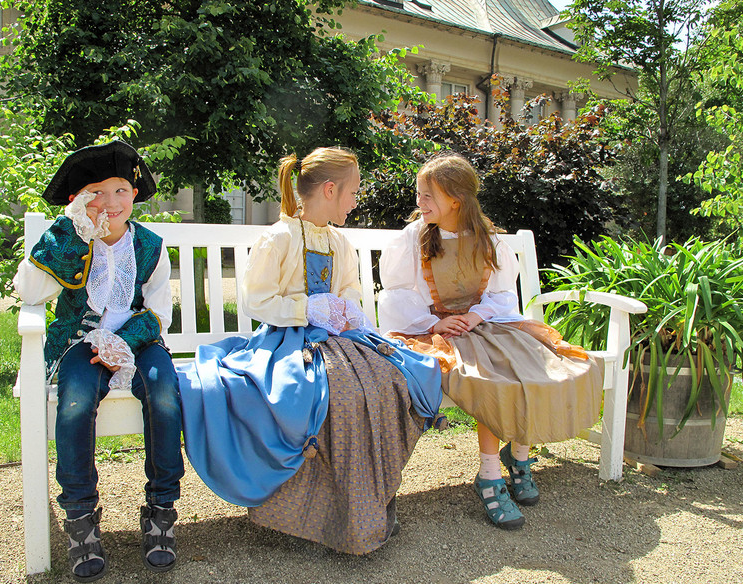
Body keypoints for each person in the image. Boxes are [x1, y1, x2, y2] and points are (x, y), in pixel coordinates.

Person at [177, 147, 443, 554]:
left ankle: (367, 503)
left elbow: (351, 287)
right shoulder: (278, 237)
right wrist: (306, 307)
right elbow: (257, 301)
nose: (356, 201)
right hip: (286, 341)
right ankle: (318, 513)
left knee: (389, 382)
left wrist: (345, 307)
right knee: (337, 395)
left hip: (336, 338)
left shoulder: (340, 241)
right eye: (353, 192)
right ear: (331, 189)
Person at [378, 153, 602, 530]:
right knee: (491, 379)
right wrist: (436, 321)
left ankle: (519, 458)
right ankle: (489, 474)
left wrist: (476, 316)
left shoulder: (489, 240)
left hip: (487, 324)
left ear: (456, 200)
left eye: (427, 196)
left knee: (536, 367)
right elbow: (396, 293)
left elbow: (501, 295)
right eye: (420, 194)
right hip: (435, 332)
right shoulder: (413, 238)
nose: (420, 203)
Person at [14, 141, 184, 581]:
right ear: (78, 199)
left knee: (165, 395)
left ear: (135, 194)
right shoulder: (67, 235)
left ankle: (162, 508)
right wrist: (71, 233)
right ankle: (81, 518)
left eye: (121, 190)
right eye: (97, 192)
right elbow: (30, 294)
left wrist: (121, 341)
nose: (110, 202)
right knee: (73, 402)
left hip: (139, 342)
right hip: (79, 342)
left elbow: (160, 313)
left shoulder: (149, 245)